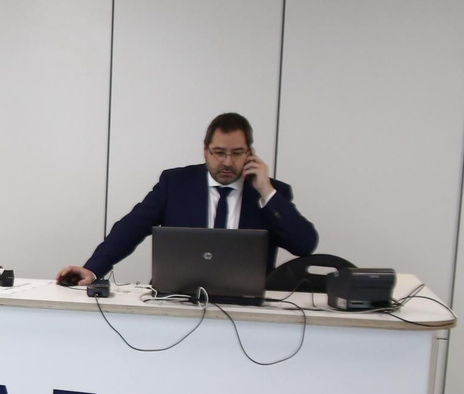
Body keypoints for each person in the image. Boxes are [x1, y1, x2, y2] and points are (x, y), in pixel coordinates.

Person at [56, 112, 318, 286]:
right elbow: (129, 229)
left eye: (237, 153)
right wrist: (93, 269)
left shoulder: (271, 194)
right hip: (179, 301)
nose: (227, 162)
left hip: (247, 309)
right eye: (219, 152)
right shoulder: (176, 184)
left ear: (250, 153)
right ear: (205, 150)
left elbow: (304, 244)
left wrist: (266, 191)